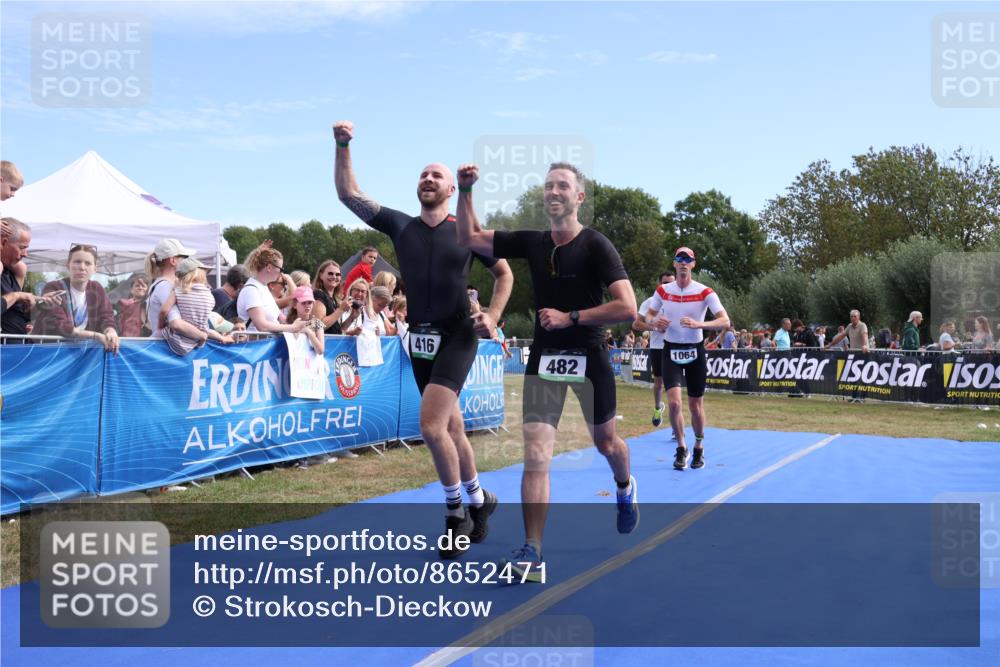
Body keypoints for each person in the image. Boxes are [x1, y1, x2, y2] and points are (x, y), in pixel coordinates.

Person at [333, 120, 513, 558]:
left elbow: (504, 273)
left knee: (430, 427)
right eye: (422, 175)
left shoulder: (467, 231)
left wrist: (490, 315)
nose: (428, 179)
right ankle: (479, 499)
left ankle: (455, 515)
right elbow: (348, 194)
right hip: (420, 339)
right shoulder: (401, 226)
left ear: (451, 188)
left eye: (437, 175)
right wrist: (343, 145)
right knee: (451, 427)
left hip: (457, 336)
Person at [455, 161, 638, 580]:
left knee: (607, 444)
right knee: (536, 456)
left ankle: (625, 489)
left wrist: (571, 316)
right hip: (545, 358)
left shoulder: (596, 246)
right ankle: (532, 550)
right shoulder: (534, 242)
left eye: (563, 186)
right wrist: (466, 191)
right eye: (548, 186)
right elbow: (469, 237)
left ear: (579, 197)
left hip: (589, 355)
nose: (554, 192)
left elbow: (628, 307)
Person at [643, 246, 730, 472]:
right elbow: (648, 315)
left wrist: (699, 324)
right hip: (670, 349)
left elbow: (725, 321)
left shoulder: (705, 291)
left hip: (695, 350)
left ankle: (699, 446)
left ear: (693, 264)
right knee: (673, 403)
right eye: (679, 258)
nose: (683, 262)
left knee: (695, 406)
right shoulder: (663, 291)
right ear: (674, 264)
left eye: (687, 259)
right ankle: (682, 447)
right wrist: (654, 322)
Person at [34, 244, 120, 353]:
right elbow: (60, 326)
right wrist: (95, 335)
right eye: (77, 262)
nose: (82, 267)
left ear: (95, 269)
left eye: (88, 263)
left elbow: (107, 317)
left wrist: (110, 331)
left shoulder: (97, 289)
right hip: (50, 352)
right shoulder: (54, 287)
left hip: (79, 353)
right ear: (67, 264)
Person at [159, 258, 235, 355]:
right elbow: (204, 328)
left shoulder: (177, 291)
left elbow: (164, 311)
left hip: (175, 341)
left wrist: (161, 325)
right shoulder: (210, 296)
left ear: (181, 276)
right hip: (196, 344)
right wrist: (223, 338)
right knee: (204, 327)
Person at [2, 218, 63, 337]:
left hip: (16, 347)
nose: (25, 254)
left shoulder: (11, 272)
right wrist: (16, 295)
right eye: (22, 247)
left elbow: (19, 313)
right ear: (3, 242)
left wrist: (41, 303)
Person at [236, 246, 309, 335]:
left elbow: (280, 320)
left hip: (265, 345)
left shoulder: (263, 287)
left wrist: (303, 327)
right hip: (255, 345)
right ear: (269, 268)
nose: (281, 273)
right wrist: (292, 327)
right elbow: (262, 326)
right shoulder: (251, 290)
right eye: (280, 269)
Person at [634, 271, 675, 428]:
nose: (667, 286)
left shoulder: (679, 302)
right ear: (659, 284)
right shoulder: (650, 302)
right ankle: (658, 408)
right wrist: (654, 327)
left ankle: (674, 425)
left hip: (674, 346)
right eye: (664, 283)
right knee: (659, 383)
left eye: (670, 283)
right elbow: (636, 325)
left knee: (673, 387)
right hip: (657, 348)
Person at [145, 238, 204, 342]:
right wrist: (203, 335)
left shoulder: (162, 285)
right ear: (173, 260)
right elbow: (176, 324)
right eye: (185, 257)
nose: (187, 260)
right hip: (167, 352)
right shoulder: (165, 287)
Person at [311, 259, 350, 335]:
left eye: (338, 274)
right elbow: (316, 327)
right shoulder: (318, 294)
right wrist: (341, 310)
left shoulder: (335, 299)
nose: (334, 277)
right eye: (330, 273)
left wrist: (352, 317)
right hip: (324, 344)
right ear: (321, 275)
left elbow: (337, 329)